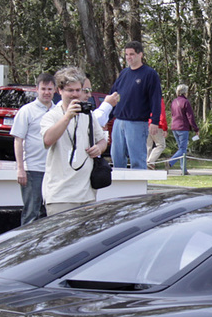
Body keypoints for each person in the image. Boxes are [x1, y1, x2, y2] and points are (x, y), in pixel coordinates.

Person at [39, 66, 109, 215]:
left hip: (87, 194)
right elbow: (47, 140)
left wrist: (99, 148)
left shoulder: (87, 115)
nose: (75, 94)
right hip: (60, 196)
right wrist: (67, 117)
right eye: (70, 91)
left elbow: (102, 140)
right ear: (60, 90)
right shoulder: (51, 116)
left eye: (78, 90)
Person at [107, 40, 162, 169]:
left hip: (137, 122)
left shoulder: (149, 74)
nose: (128, 57)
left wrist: (154, 121)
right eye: (126, 54)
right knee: (117, 158)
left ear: (140, 54)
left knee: (137, 159)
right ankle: (120, 188)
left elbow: (155, 99)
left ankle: (139, 188)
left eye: (131, 54)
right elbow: (113, 95)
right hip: (119, 121)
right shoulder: (124, 73)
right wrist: (107, 117)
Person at [11, 73, 56, 225]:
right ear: (36, 89)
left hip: (53, 170)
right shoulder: (26, 111)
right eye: (43, 88)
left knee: (47, 214)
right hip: (33, 170)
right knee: (31, 213)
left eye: (50, 89)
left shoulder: (58, 112)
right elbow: (18, 140)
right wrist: (20, 169)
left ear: (55, 90)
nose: (47, 92)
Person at [168, 84, 197, 174]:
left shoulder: (174, 101)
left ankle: (183, 170)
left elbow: (173, 114)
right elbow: (190, 117)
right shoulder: (185, 102)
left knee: (181, 148)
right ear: (185, 92)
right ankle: (169, 163)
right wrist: (196, 128)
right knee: (182, 149)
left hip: (174, 127)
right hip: (182, 128)